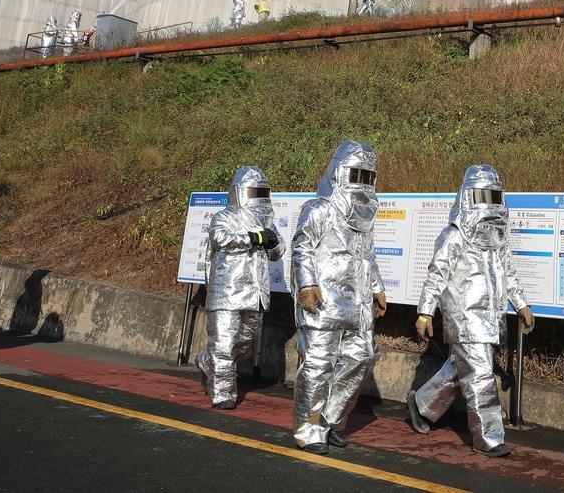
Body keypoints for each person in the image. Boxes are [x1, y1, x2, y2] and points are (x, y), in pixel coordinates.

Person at [407, 165, 534, 457]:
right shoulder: (454, 235)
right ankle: (488, 438)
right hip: (463, 315)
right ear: (467, 196)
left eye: (494, 196)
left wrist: (521, 303)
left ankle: (422, 405)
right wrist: (425, 312)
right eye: (482, 196)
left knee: (461, 367)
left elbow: (508, 273)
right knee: (480, 374)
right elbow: (437, 273)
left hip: (489, 316)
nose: (489, 204)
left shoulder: (498, 238)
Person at [290, 140, 386, 454]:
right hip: (322, 302)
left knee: (362, 358)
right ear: (340, 172)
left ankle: (330, 420)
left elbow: (368, 255)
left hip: (357, 305)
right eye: (356, 174)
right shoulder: (318, 208)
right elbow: (302, 247)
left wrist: (377, 287)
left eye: (368, 176)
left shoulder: (365, 216)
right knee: (318, 367)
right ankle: (309, 430)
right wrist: (307, 285)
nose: (362, 182)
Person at [196, 166, 284, 409]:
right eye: (255, 192)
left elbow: (277, 252)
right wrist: (253, 238)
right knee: (224, 344)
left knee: (244, 341)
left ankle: (207, 362)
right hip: (227, 292)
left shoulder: (267, 221)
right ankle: (223, 394)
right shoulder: (224, 217)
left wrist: (272, 243)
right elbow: (221, 239)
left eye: (263, 192)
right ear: (240, 191)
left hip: (255, 295)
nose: (260, 197)